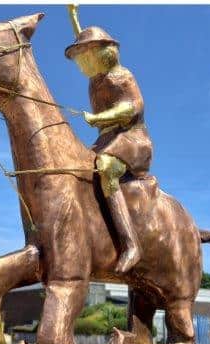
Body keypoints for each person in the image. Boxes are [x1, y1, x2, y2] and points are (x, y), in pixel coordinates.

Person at [65, 4, 152, 274]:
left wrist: (100, 118)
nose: (80, 65)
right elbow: (84, 38)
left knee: (105, 167)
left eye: (83, 58)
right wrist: (73, 17)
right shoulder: (96, 80)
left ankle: (130, 243)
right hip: (106, 139)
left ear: (99, 55)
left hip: (132, 139)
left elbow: (134, 107)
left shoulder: (122, 76)